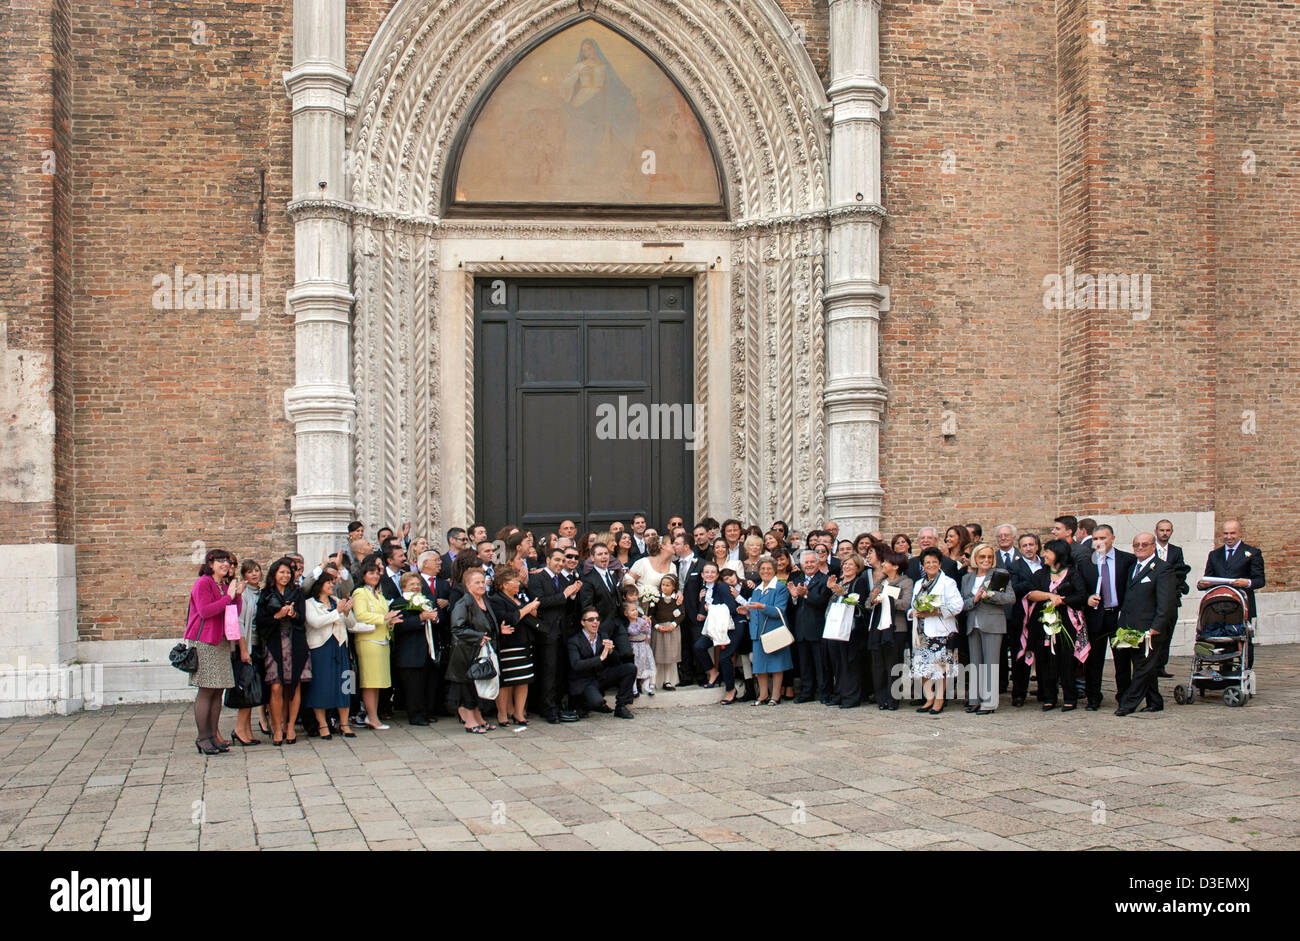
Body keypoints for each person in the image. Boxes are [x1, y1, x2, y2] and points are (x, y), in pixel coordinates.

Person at [1021, 540, 1090, 711]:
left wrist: (1061, 601)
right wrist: (1048, 596)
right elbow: (1030, 593)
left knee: (1066, 660)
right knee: (1046, 660)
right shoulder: (1040, 574)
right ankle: (1049, 696)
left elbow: (1081, 596)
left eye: (1048, 552)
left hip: (1066, 624)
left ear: (1058, 554)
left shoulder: (1073, 574)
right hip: (1044, 624)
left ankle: (1070, 697)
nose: (1044, 555)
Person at [186, 549, 243, 755]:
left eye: (227, 561)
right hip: (205, 641)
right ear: (210, 564)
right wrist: (227, 598)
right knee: (206, 689)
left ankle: (213, 736)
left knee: (218, 690)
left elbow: (234, 612)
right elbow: (205, 611)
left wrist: (236, 597)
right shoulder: (203, 583)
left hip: (221, 641)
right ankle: (203, 738)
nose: (225, 564)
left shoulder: (223, 585)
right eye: (220, 561)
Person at [1115, 533, 1178, 716]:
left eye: (1144, 544)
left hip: (1150, 628)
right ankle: (1155, 701)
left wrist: (1157, 626)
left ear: (1153, 547)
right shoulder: (1132, 567)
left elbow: (1166, 602)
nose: (1140, 547)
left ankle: (1128, 703)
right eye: (1136, 544)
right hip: (1129, 626)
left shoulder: (1162, 568)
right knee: (1144, 666)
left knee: (1143, 667)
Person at [1079, 524, 1136, 710]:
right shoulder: (1086, 561)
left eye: (1103, 538)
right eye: (1095, 539)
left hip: (1118, 616)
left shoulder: (1127, 560)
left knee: (1122, 660)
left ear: (1112, 538)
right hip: (1096, 617)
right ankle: (1093, 697)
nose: (1099, 542)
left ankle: (1124, 696)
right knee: (1094, 661)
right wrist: (1087, 599)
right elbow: (1080, 589)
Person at [256, 557, 309, 745]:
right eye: (282, 572)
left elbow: (302, 619)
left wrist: (293, 614)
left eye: (288, 572)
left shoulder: (298, 593)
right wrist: (277, 616)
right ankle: (277, 727)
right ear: (274, 574)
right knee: (276, 685)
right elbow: (260, 621)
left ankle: (291, 726)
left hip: (296, 642)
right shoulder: (266, 594)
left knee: (293, 685)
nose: (285, 576)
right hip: (274, 642)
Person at [528, 547, 583, 723]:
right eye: (557, 560)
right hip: (546, 632)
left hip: (563, 632)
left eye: (562, 560)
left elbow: (567, 608)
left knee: (560, 671)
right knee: (548, 672)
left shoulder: (563, 579)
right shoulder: (537, 578)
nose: (561, 563)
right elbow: (539, 602)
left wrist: (572, 596)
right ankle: (548, 709)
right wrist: (565, 594)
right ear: (548, 560)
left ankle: (558, 706)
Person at [960, 544, 1016, 715]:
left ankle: (989, 702)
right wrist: (975, 600)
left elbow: (1010, 598)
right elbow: (963, 602)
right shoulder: (967, 578)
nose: (986, 560)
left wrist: (990, 596)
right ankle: (975, 700)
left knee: (991, 663)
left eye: (989, 557)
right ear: (975, 559)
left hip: (993, 623)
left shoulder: (1000, 575)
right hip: (973, 623)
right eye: (982, 557)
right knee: (975, 663)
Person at [907, 547, 963, 715]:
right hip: (921, 631)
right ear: (922, 566)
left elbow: (958, 606)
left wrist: (935, 611)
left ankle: (939, 700)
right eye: (927, 562)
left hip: (940, 631)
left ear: (939, 564)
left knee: (940, 668)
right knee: (923, 667)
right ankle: (928, 698)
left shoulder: (948, 582)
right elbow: (912, 606)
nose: (930, 565)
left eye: (934, 562)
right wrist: (913, 612)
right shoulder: (919, 583)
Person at [350, 559, 401, 731]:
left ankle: (373, 715)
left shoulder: (378, 595)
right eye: (371, 573)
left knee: (377, 682)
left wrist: (390, 621)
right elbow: (361, 615)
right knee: (370, 681)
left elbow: (385, 616)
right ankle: (371, 716)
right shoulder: (360, 593)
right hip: (368, 641)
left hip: (382, 639)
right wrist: (383, 618)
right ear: (363, 575)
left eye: (377, 573)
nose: (375, 576)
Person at [304, 570, 356, 738]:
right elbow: (316, 622)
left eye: (333, 583)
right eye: (329, 582)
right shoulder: (309, 604)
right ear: (319, 585)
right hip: (321, 648)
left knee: (346, 684)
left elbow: (352, 624)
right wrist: (338, 612)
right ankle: (322, 724)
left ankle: (345, 723)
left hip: (340, 646)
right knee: (321, 685)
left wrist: (347, 612)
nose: (332, 585)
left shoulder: (336, 601)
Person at [447, 568, 498, 733]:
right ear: (468, 586)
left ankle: (479, 718)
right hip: (466, 652)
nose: (481, 585)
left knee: (478, 686)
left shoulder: (485, 600)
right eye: (477, 582)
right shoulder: (463, 603)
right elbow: (457, 628)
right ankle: (469, 721)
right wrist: (478, 637)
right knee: (467, 687)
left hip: (481, 650)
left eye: (483, 582)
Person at [390, 571, 441, 726]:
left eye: (418, 584)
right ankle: (415, 715)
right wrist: (419, 618)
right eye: (412, 584)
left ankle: (427, 712)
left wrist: (435, 618)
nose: (416, 587)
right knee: (413, 686)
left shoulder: (428, 600)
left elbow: (441, 619)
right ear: (404, 586)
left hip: (428, 649)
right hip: (409, 652)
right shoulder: (398, 603)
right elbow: (399, 626)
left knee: (428, 684)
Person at [488, 567, 538, 726]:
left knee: (523, 680)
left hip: (523, 643)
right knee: (507, 681)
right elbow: (507, 618)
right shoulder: (496, 599)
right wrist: (526, 609)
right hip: (508, 645)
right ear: (503, 584)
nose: (518, 584)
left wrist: (532, 610)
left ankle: (519, 713)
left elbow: (529, 616)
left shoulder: (519, 598)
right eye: (514, 581)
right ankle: (502, 714)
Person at [567, 607, 637, 719]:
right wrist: (600, 658)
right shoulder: (574, 641)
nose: (595, 622)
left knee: (630, 668)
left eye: (597, 619)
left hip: (601, 676)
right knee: (596, 703)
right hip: (585, 680)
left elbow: (616, 661)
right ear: (582, 623)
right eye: (591, 619)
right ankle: (581, 704)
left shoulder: (602, 635)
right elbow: (576, 665)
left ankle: (621, 706)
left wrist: (611, 651)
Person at [691, 560, 744, 702]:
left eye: (713, 572)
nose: (709, 574)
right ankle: (713, 672)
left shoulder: (722, 587)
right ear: (702, 575)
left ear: (717, 574)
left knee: (725, 657)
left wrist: (711, 608)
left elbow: (732, 608)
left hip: (732, 626)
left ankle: (730, 690)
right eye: (706, 572)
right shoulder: (704, 590)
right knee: (699, 646)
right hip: (716, 626)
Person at [866, 551, 913, 710]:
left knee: (893, 664)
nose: (883, 565)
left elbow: (906, 604)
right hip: (878, 627)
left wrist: (887, 599)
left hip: (896, 628)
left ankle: (893, 699)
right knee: (877, 665)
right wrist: (874, 599)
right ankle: (881, 699)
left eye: (886, 562)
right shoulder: (880, 582)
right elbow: (868, 604)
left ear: (895, 566)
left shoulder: (906, 583)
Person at [1198, 518, 1265, 622]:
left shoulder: (1252, 553)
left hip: (1242, 606)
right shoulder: (1214, 555)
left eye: (1232, 533)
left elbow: (1260, 580)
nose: (1229, 537)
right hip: (1217, 607)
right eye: (1225, 533)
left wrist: (1247, 582)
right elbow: (1208, 578)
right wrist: (1201, 584)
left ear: (1240, 533)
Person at [825, 553, 870, 708]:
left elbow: (859, 603)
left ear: (858, 568)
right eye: (845, 564)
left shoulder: (860, 582)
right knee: (836, 662)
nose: (847, 567)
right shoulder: (839, 581)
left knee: (849, 663)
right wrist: (829, 589)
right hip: (834, 627)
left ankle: (851, 696)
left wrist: (843, 594)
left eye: (851, 565)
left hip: (850, 628)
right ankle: (840, 693)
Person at [747, 557, 793, 705]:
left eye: (768, 569)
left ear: (774, 571)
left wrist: (762, 607)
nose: (765, 572)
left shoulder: (779, 588)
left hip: (774, 632)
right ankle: (763, 695)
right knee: (760, 666)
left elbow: (779, 610)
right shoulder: (756, 589)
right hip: (758, 633)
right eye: (762, 569)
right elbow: (754, 611)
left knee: (776, 665)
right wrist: (746, 611)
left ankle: (775, 695)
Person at [1007, 533, 1044, 706]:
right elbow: (1014, 588)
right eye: (1024, 545)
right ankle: (1019, 693)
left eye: (1031, 544)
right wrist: (1035, 583)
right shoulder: (1014, 566)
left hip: (1044, 616)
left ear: (1037, 546)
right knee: (1020, 656)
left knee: (1044, 655)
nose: (1028, 548)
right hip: (1021, 617)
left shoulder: (1046, 563)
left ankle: (1045, 691)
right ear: (1020, 549)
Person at [790, 549, 831, 703]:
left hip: (817, 627)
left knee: (821, 664)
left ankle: (824, 693)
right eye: (806, 562)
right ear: (801, 564)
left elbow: (822, 601)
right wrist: (794, 598)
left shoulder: (824, 580)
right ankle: (806, 693)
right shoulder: (796, 580)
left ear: (818, 562)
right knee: (804, 664)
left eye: (812, 562)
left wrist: (806, 594)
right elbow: (792, 606)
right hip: (800, 628)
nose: (809, 565)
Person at [231, 558, 264, 745]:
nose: (254, 574)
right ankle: (238, 729)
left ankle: (247, 729)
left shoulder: (258, 592)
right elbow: (240, 622)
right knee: (245, 689)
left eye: (257, 570)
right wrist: (243, 650)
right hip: (246, 645)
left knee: (252, 690)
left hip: (257, 644)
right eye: (250, 571)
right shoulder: (243, 594)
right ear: (244, 575)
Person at [1152, 519, 1191, 677]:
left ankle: (1161, 665)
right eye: (1162, 530)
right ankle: (1151, 665)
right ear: (1156, 531)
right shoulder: (1149, 548)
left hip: (1171, 598)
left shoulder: (1176, 551)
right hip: (1153, 598)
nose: (1164, 533)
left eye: (1167, 530)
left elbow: (1180, 571)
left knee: (1167, 633)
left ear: (1172, 531)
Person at [648, 574, 685, 691]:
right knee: (657, 656)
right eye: (663, 585)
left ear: (674, 587)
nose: (664, 587)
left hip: (671, 630)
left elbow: (682, 614)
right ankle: (653, 682)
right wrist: (657, 625)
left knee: (669, 656)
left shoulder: (676, 600)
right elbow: (651, 615)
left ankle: (667, 681)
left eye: (668, 585)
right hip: (659, 630)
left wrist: (673, 625)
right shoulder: (656, 599)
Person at [580, 542, 623, 621]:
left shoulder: (613, 574)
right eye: (600, 554)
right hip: (601, 625)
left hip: (618, 623)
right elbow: (587, 606)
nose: (604, 557)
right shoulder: (587, 579)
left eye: (606, 553)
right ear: (592, 558)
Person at [625, 600, 656, 695]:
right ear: (626, 613)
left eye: (635, 609)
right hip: (634, 647)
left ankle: (646, 687)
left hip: (643, 646)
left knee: (647, 666)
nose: (635, 612)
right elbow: (632, 632)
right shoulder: (627, 623)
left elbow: (648, 631)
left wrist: (646, 628)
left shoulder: (641, 620)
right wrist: (641, 627)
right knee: (635, 668)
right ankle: (634, 689)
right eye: (632, 610)